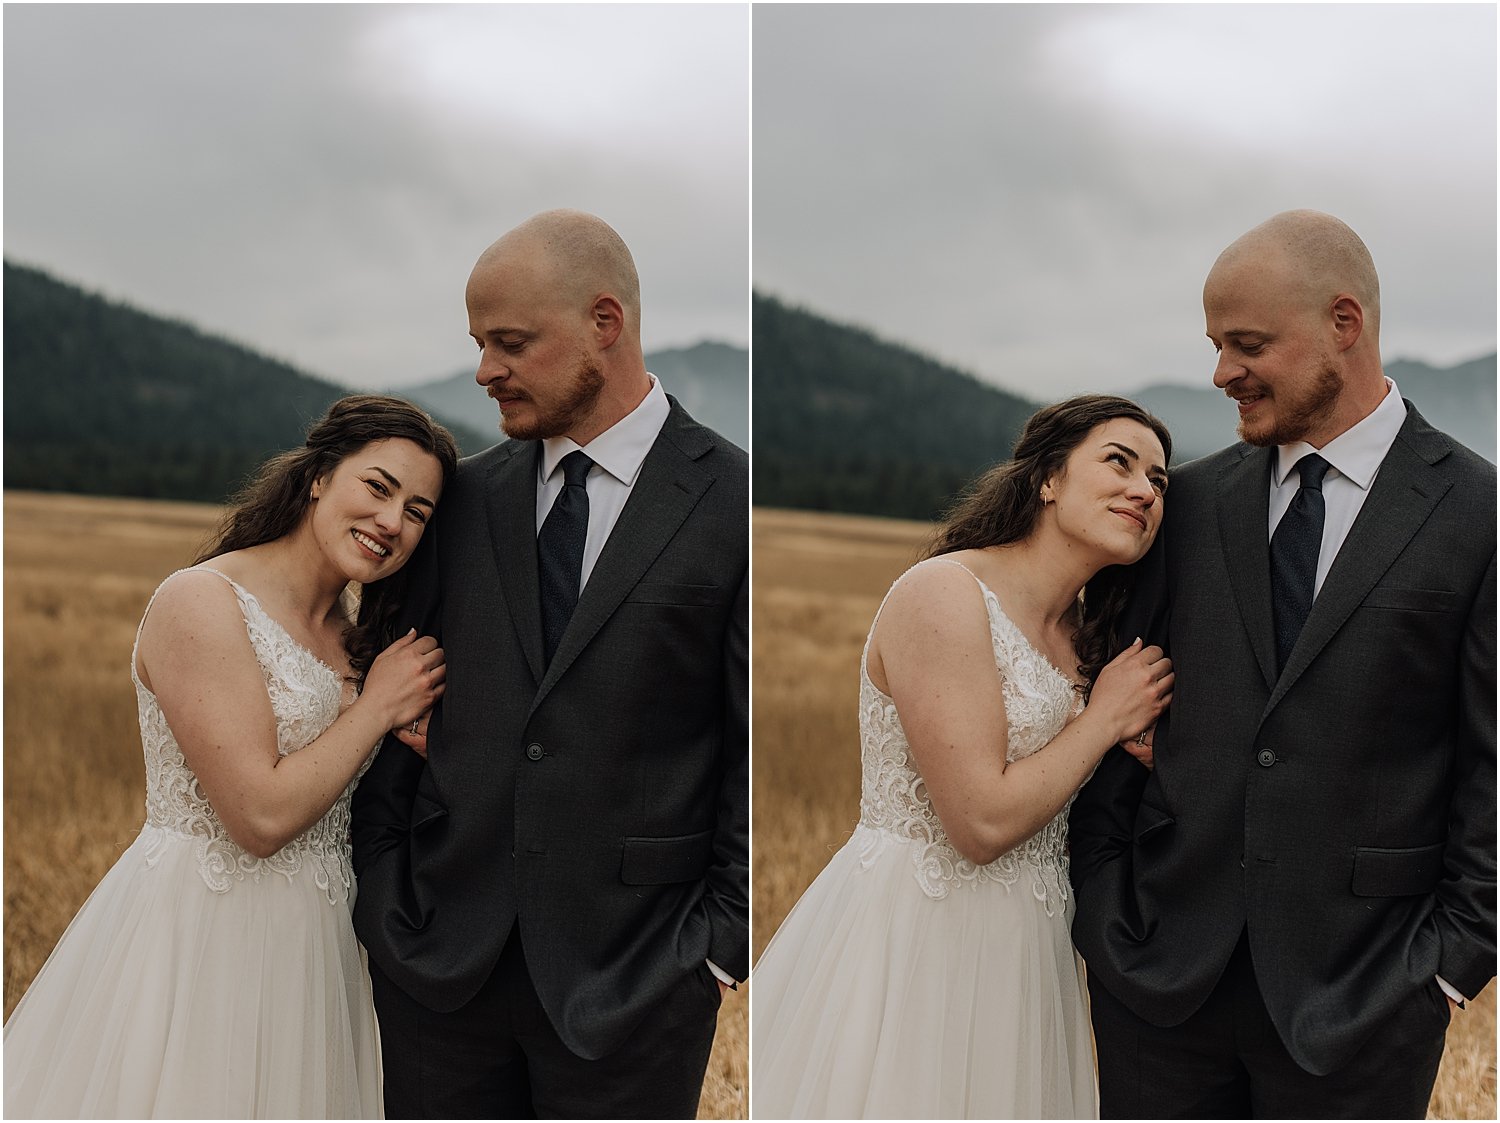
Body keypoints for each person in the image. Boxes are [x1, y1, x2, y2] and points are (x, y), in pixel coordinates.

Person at [1070, 210, 1496, 1118]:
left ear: (1345, 325)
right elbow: (1115, 700)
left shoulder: (1480, 515)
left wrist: (1450, 971)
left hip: (1367, 1001)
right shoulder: (1184, 504)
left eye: (1248, 343)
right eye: (1217, 343)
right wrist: (1105, 908)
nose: (1222, 371)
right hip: (1158, 985)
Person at [350, 209, 748, 1119]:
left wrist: (719, 947)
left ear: (604, 325)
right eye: (478, 343)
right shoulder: (460, 499)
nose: (485, 368)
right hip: (438, 967)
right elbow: (394, 683)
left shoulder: (732, 504)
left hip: (640, 980)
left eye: (510, 342)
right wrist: (385, 887)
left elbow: (747, 745)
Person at [3, 394, 458, 1118]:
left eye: (418, 511)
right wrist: (374, 709)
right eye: (378, 487)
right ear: (319, 476)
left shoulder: (356, 640)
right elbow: (258, 814)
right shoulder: (202, 601)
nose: (392, 522)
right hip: (202, 941)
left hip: (319, 955)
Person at [751, 395, 1175, 1119]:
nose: (1145, 489)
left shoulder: (1088, 635)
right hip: (919, 936)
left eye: (1161, 481)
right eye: (1119, 462)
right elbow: (977, 822)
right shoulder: (944, 593)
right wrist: (1103, 720)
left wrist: (1136, 750)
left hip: (1031, 950)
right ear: (1047, 477)